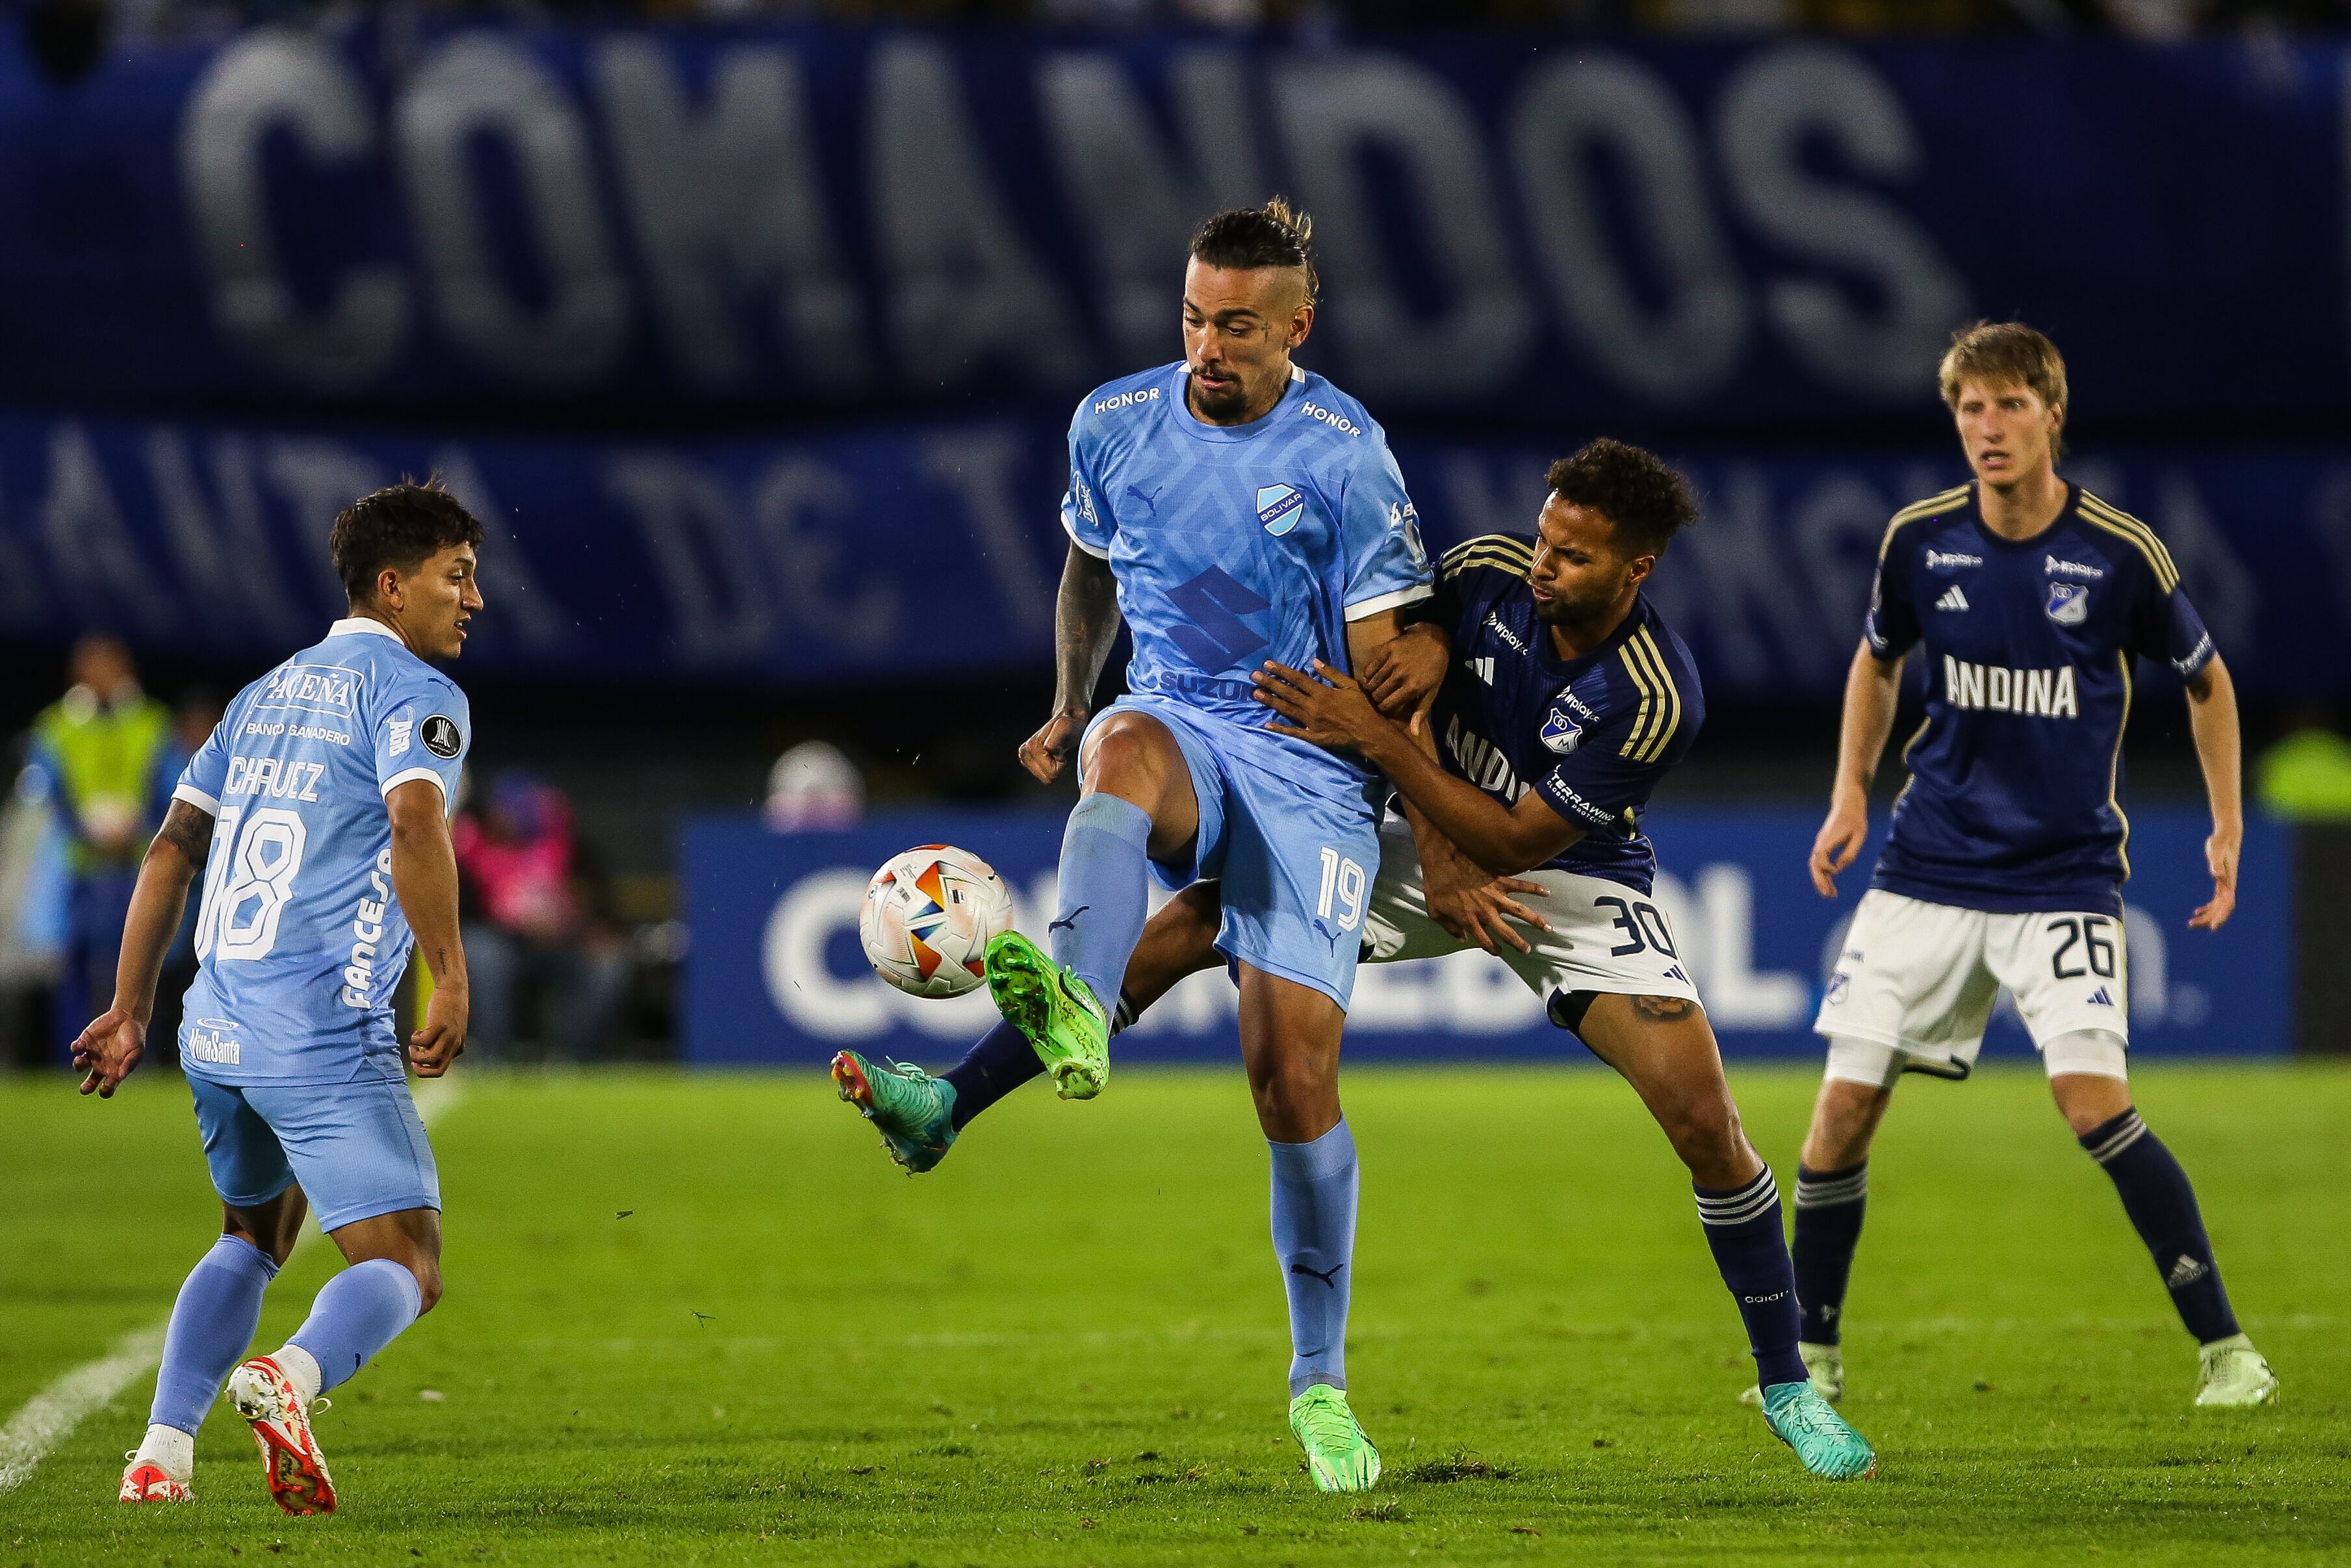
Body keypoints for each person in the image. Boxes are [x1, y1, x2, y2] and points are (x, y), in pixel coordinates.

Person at [834, 199, 1428, 1491]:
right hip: (1181, 720)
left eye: (1236, 327)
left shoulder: (1348, 457)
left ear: (1296, 329)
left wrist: (1413, 772)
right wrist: (1067, 698)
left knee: (1292, 1082)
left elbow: (1395, 660)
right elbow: (1088, 574)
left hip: (1315, 771)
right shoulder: (1112, 422)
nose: (1207, 347)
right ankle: (1079, 1010)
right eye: (1192, 318)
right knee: (1118, 752)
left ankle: (1319, 1385)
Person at [1799, 321, 2276, 1409]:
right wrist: (1848, 789)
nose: (1986, 425)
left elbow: (2207, 680)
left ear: (2051, 413)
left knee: (2089, 1101)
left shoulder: (2117, 552)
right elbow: (1874, 661)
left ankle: (2226, 1350)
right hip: (1924, 866)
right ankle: (1809, 1360)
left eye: (2008, 403)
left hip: (2059, 875)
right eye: (1968, 406)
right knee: (1837, 1116)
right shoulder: (1919, 541)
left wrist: (2225, 825)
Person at [81, 480, 485, 1512]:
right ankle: (290, 1376)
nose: (473, 598)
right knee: (409, 1264)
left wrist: (130, 1008)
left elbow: (174, 848)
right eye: (456, 575)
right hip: (320, 1028)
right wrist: (448, 970)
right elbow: (412, 822)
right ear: (393, 589)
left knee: (251, 1237)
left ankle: (160, 1457)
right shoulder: (415, 692)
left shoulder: (259, 694)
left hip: (214, 1024)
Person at [19, 635, 185, 1060]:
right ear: (80, 673)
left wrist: (140, 825)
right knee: (73, 967)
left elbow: (176, 785)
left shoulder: (151, 721)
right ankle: (70, 1057)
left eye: (113, 665)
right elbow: (41, 791)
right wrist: (83, 826)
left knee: (142, 964)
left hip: (136, 866)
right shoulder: (55, 725)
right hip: (79, 868)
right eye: (96, 666)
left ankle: (138, 1059)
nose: (106, 676)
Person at [455, 770, 628, 1061]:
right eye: (504, 808)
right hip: (501, 942)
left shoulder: (566, 842)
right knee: (483, 954)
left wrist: (587, 927)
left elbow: (601, 899)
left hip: (562, 944)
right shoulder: (470, 844)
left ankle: (571, 1058)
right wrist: (516, 925)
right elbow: (460, 913)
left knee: (609, 962)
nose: (509, 817)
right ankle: (492, 1056)